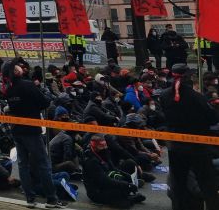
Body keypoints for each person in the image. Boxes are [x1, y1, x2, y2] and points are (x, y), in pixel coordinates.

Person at [2, 61, 64, 208]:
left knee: (23, 164)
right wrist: (42, 93)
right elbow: (44, 103)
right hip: (31, 130)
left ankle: (30, 198)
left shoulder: (9, 90)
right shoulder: (28, 85)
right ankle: (51, 199)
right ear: (15, 71)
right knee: (43, 164)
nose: (21, 67)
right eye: (17, 66)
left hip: (17, 130)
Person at [159, 63, 219, 209]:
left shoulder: (164, 95)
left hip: (176, 146)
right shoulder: (196, 97)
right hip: (198, 146)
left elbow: (165, 117)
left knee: (178, 184)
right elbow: (212, 118)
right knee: (208, 185)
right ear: (188, 77)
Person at [81, 135, 145, 208]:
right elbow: (105, 181)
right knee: (123, 201)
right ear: (95, 147)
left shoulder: (104, 152)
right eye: (101, 147)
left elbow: (113, 168)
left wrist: (128, 178)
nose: (104, 148)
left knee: (129, 164)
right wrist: (127, 185)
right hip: (97, 191)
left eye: (105, 146)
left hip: (107, 176)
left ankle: (129, 192)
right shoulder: (91, 161)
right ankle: (130, 198)